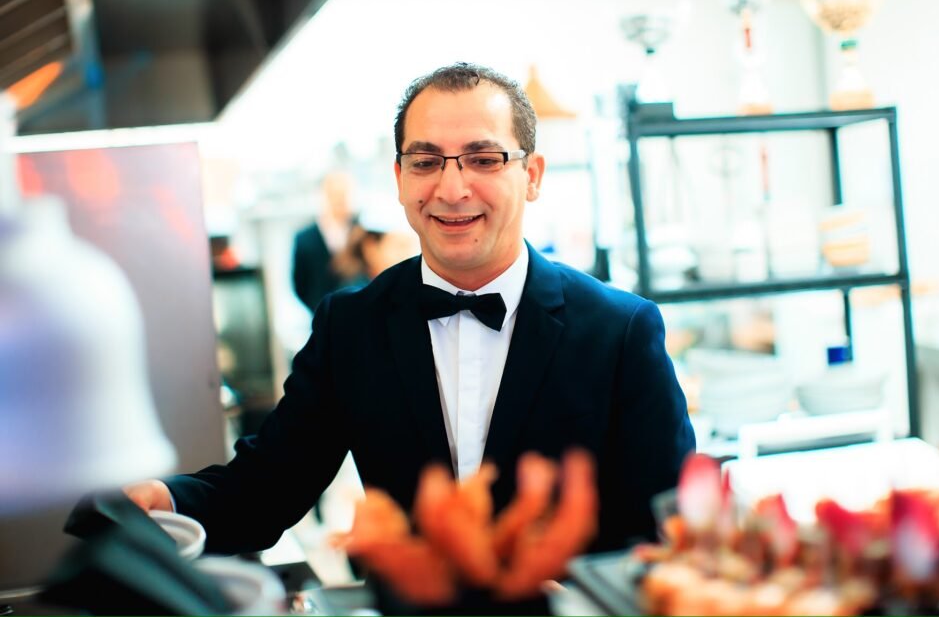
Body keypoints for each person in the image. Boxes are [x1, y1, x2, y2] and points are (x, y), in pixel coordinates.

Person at [125, 62, 695, 558]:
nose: (451, 188)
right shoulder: (350, 327)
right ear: (400, 179)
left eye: (482, 159)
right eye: (425, 162)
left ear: (533, 176)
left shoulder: (621, 330)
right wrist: (170, 499)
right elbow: (266, 489)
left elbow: (668, 526)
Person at [291, 171, 366, 312]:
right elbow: (300, 285)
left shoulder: (364, 231)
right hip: (321, 315)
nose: (340, 200)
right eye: (335, 195)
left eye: (344, 194)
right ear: (323, 196)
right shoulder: (304, 238)